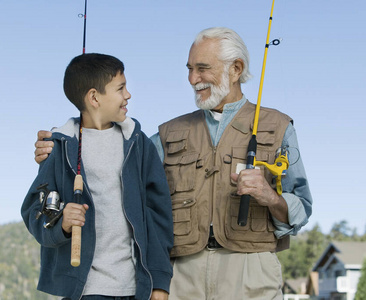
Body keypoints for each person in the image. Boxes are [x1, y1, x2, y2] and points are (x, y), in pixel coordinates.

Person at [35, 28, 313, 300]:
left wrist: (270, 197)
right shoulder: (164, 135)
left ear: (236, 69)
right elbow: (108, 158)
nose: (193, 79)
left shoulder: (278, 127)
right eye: (189, 69)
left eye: (202, 68)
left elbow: (301, 207)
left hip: (251, 270)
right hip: (181, 274)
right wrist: (59, 143)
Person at [22, 53, 173, 300]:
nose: (128, 95)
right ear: (94, 97)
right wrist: (63, 223)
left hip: (137, 288)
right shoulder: (56, 146)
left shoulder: (139, 144)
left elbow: (158, 215)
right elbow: (34, 213)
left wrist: (159, 282)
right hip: (85, 291)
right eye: (121, 88)